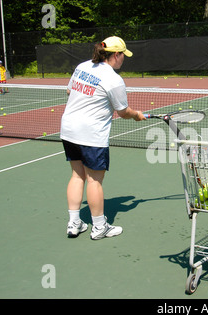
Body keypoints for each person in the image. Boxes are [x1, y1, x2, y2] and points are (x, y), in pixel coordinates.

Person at [61, 36, 146, 240]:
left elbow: (68, 90)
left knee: (77, 175)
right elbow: (123, 111)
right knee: (94, 181)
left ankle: (74, 224)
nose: (124, 59)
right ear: (115, 55)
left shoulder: (82, 66)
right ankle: (99, 227)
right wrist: (136, 115)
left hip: (68, 130)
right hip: (91, 135)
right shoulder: (114, 79)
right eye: (123, 55)